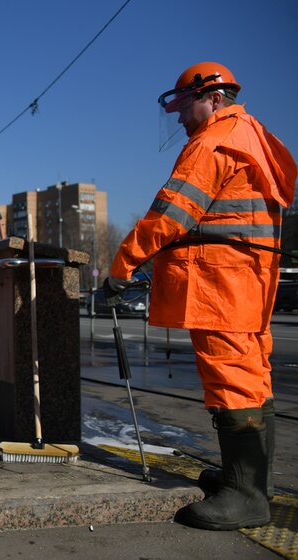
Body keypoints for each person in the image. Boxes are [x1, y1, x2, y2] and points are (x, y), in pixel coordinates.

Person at [104, 62, 296, 531]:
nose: (179, 117)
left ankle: (245, 496)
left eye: (184, 105)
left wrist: (121, 266)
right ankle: (250, 481)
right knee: (252, 374)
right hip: (249, 276)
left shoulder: (212, 143)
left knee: (231, 377)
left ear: (211, 96)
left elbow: (170, 216)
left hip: (220, 280)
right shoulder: (253, 137)